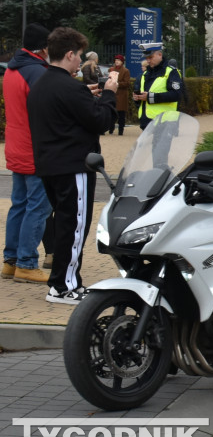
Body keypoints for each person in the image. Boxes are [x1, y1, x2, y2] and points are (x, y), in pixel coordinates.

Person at [26, 27, 118, 303]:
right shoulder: (70, 87)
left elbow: (68, 110)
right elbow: (102, 121)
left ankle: (65, 282)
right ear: (69, 55)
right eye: (78, 56)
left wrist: (84, 95)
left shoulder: (42, 84)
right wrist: (109, 93)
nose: (80, 61)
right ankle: (64, 287)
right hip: (74, 165)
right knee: (74, 226)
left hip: (49, 165)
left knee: (65, 223)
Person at [3, 23, 53, 284]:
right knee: (38, 207)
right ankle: (27, 263)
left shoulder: (12, 70)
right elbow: (50, 109)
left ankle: (10, 261)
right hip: (36, 149)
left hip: (16, 146)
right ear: (43, 47)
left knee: (19, 205)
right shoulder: (37, 72)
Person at [134, 42, 183, 130]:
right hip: (146, 123)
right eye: (146, 58)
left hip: (165, 122)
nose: (148, 61)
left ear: (160, 55)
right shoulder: (145, 74)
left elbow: (176, 95)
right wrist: (138, 98)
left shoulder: (171, 72)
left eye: (150, 57)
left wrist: (150, 97)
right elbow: (144, 98)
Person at [108, 54, 133, 135]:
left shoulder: (126, 71)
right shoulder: (111, 69)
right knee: (111, 113)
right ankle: (110, 129)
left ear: (122, 62)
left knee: (121, 114)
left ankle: (120, 131)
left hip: (122, 94)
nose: (116, 62)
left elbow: (127, 83)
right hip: (113, 93)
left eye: (118, 60)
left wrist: (117, 83)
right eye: (115, 60)